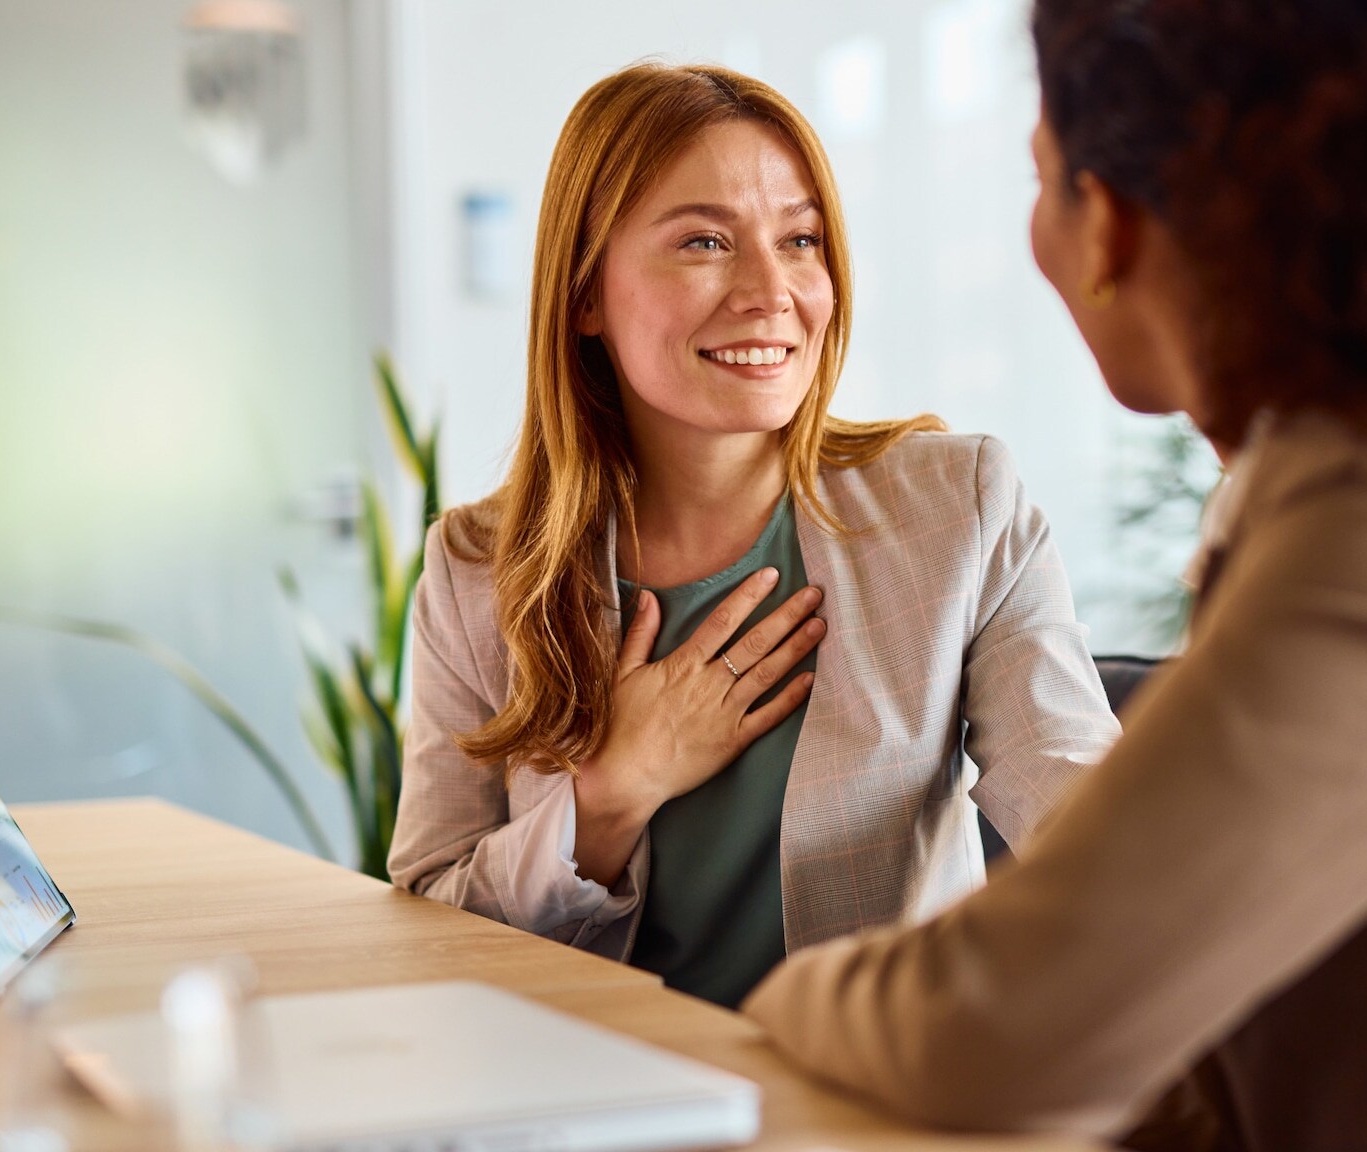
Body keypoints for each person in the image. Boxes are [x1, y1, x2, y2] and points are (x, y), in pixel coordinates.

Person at [740, 1, 1367, 1148]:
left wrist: (765, 1002)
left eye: (1041, 179)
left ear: (1112, 224)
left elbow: (992, 1035)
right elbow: (1238, 1049)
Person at [386, 63, 1118, 1010]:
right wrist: (609, 796)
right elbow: (430, 931)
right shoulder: (477, 573)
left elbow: (1081, 802)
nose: (773, 292)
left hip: (862, 1098)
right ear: (584, 297)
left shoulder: (957, 508)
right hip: (595, 1096)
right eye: (704, 242)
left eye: (801, 239)